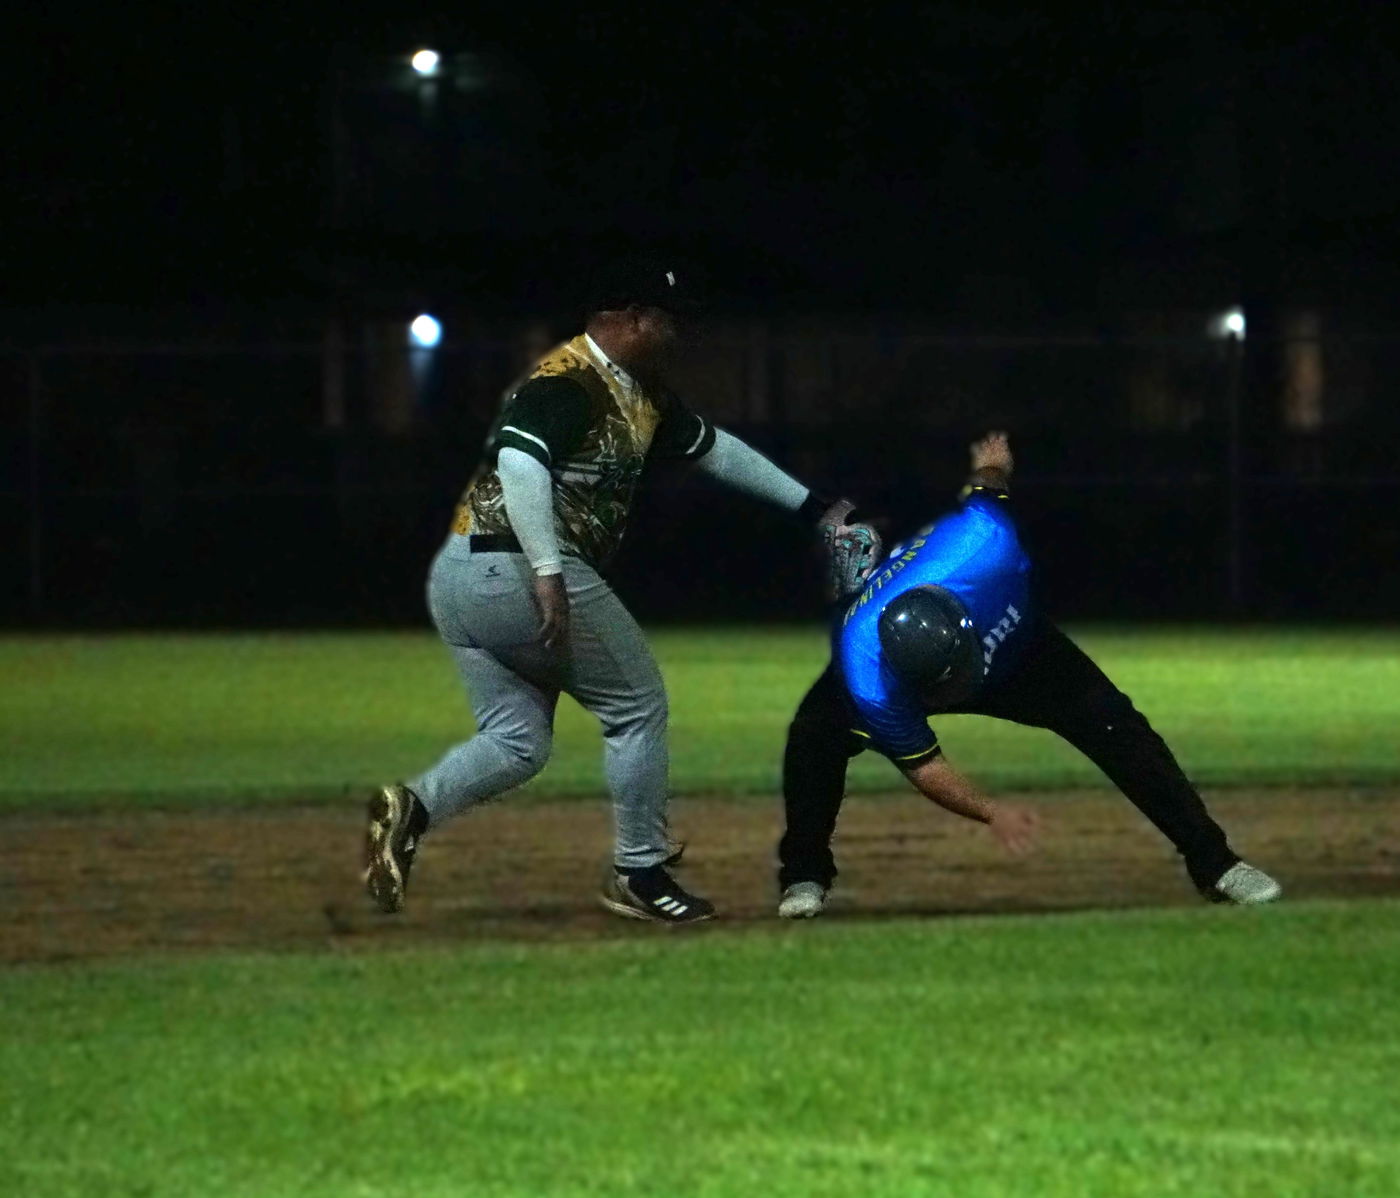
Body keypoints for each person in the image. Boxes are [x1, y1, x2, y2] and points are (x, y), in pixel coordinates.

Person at [365, 261, 853, 925]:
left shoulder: (638, 391)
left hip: (460, 573)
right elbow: (517, 461)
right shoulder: (573, 382)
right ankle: (639, 870)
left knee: (517, 740)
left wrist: (813, 506)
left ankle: (413, 808)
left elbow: (716, 451)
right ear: (628, 318)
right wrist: (546, 570)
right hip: (515, 567)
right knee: (638, 702)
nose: (675, 328)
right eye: (665, 315)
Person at [775, 431, 1282, 919]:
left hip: (1020, 652)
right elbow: (926, 766)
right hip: (901, 659)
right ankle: (805, 873)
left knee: (1117, 727)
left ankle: (1216, 863)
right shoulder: (866, 668)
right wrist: (992, 811)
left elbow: (988, 485)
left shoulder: (986, 543)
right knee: (813, 736)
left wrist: (992, 460)